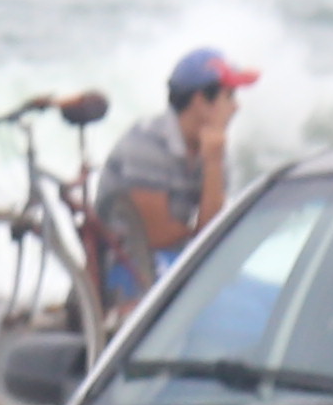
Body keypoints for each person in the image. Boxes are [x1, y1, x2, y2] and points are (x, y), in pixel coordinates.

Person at [98, 47, 258, 304]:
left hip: (176, 257)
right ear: (201, 101)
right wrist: (198, 235)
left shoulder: (211, 147)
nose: (236, 107)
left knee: (264, 300)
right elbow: (155, 235)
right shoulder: (147, 143)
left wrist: (213, 163)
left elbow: (209, 233)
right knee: (232, 309)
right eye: (229, 96)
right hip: (129, 265)